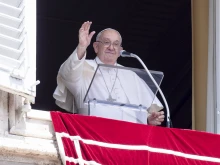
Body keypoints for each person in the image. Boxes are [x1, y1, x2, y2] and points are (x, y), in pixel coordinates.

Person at [53, 21, 165, 125]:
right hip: (92, 132)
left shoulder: (131, 75)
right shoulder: (82, 68)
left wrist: (148, 120)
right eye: (106, 42)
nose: (111, 47)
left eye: (116, 44)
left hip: (130, 137)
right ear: (96, 47)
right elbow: (67, 74)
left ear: (120, 50)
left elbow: (143, 111)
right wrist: (82, 46)